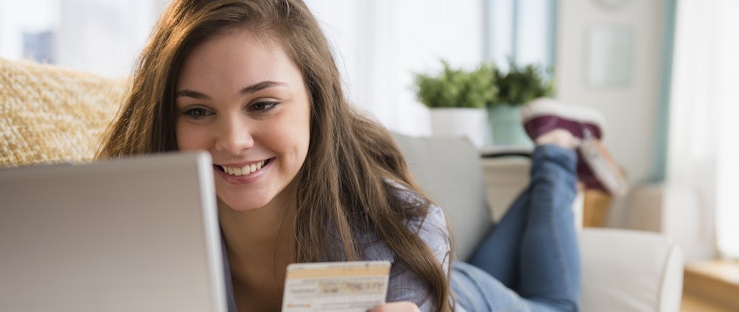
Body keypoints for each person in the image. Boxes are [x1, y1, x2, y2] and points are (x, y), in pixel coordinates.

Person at [96, 0, 626, 311]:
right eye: (197, 112)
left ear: (316, 102)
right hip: (446, 269)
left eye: (262, 104)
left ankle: (556, 151)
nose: (232, 140)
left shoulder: (401, 228)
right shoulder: (143, 231)